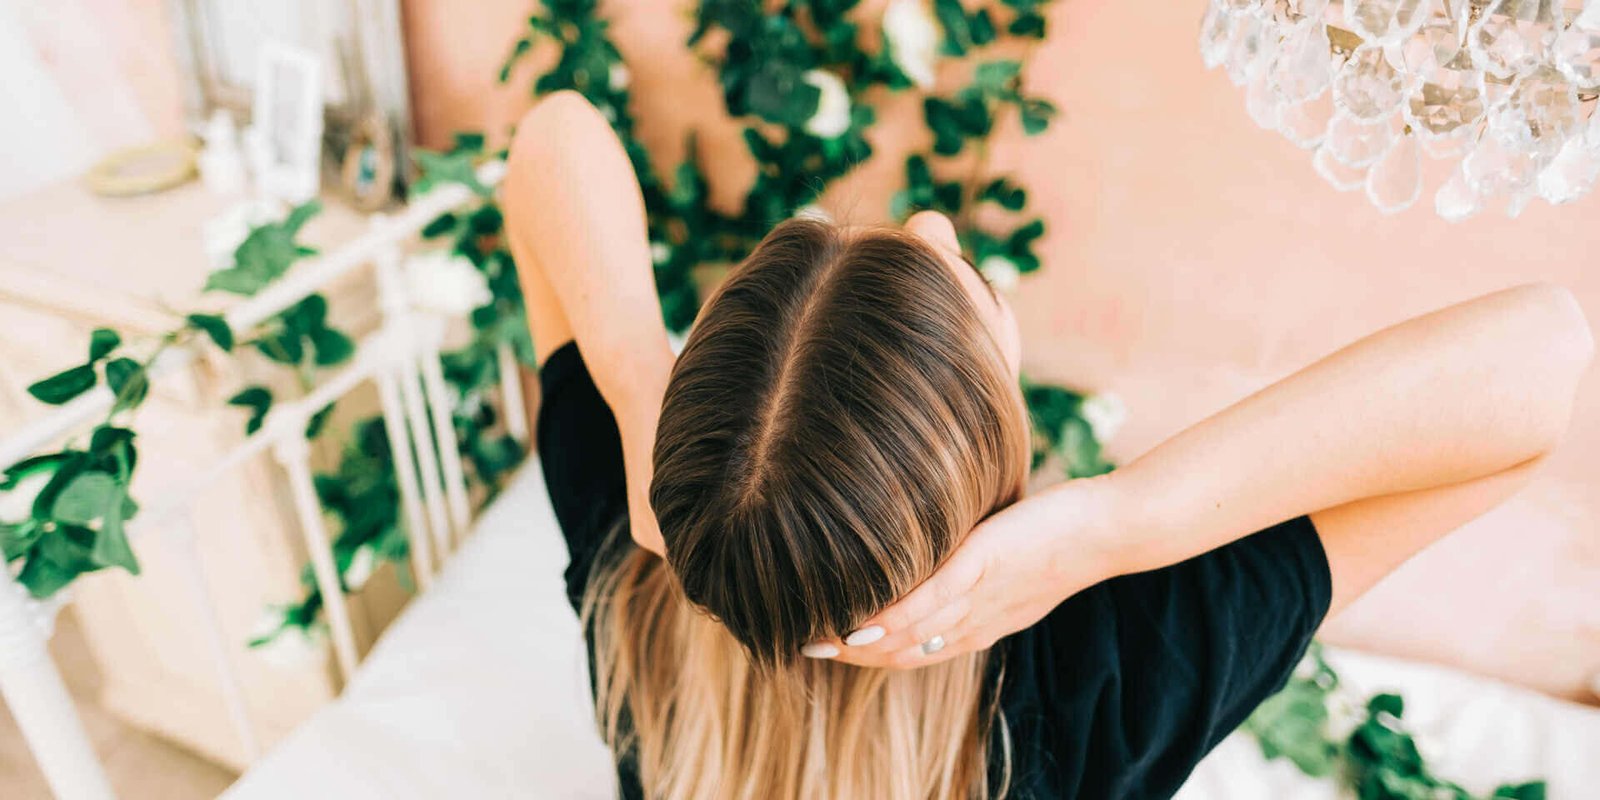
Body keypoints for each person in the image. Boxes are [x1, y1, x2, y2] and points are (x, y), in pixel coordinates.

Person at [500, 91, 1594, 800]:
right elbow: (1542, 360)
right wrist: (1110, 524)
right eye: (969, 280)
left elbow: (552, 136)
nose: (935, 224)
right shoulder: (1088, 690)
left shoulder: (632, 580)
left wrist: (641, 383)